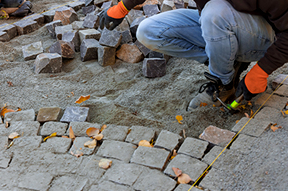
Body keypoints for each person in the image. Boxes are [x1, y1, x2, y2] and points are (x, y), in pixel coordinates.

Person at [99, 0, 288, 111]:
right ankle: (228, 64)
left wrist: (262, 70)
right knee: (148, 30)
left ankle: (223, 83)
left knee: (214, 12)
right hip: (220, 22)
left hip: (262, 38)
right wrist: (122, 7)